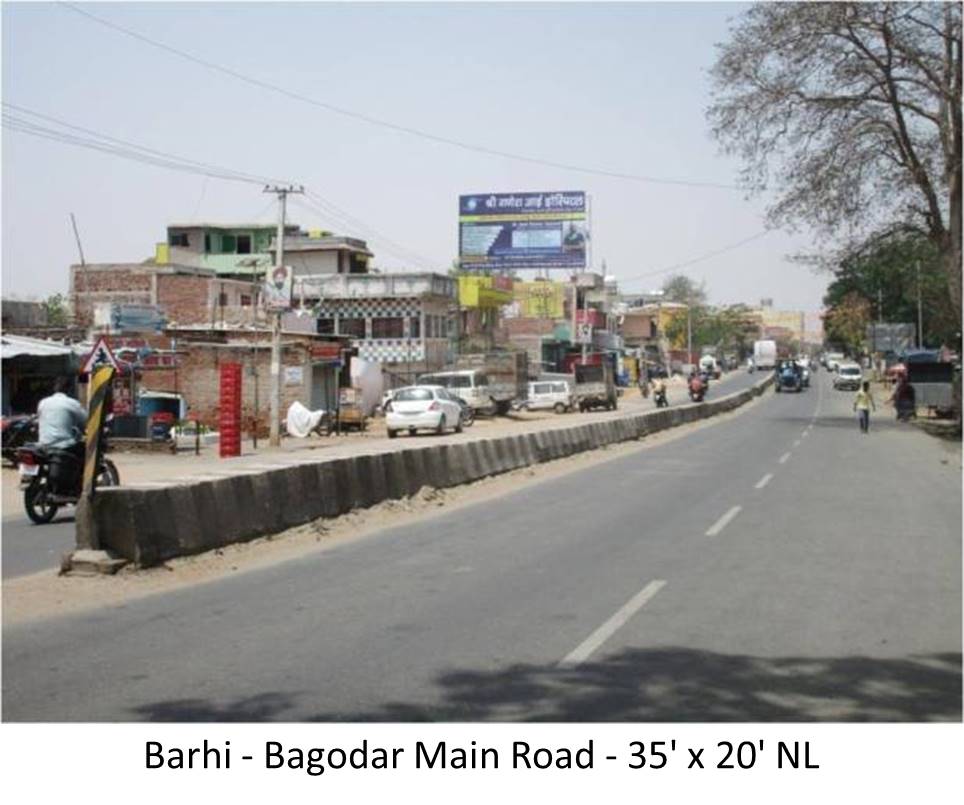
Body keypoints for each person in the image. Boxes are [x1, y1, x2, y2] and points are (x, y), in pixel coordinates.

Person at [37, 377, 88, 451]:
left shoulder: (43, 402)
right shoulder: (72, 403)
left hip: (44, 445)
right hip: (65, 446)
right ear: (70, 389)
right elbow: (86, 421)